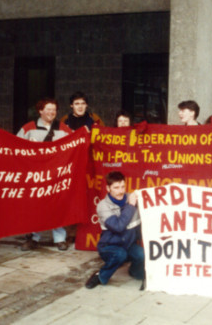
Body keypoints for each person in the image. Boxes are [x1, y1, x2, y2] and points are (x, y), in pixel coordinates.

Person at [17, 98, 73, 251]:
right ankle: (33, 237)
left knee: (57, 205)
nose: (51, 112)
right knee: (35, 207)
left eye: (54, 110)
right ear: (40, 111)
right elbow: (15, 148)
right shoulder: (28, 129)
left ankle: (60, 238)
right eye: (48, 109)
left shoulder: (63, 129)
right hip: (36, 177)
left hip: (57, 176)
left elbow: (76, 144)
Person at [85, 171, 144, 289]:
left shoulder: (132, 199)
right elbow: (118, 227)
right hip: (109, 247)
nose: (120, 191)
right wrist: (131, 206)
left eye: (122, 187)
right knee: (119, 255)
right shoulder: (103, 206)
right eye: (116, 188)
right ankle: (100, 276)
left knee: (141, 254)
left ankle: (134, 271)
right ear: (108, 188)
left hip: (128, 244)